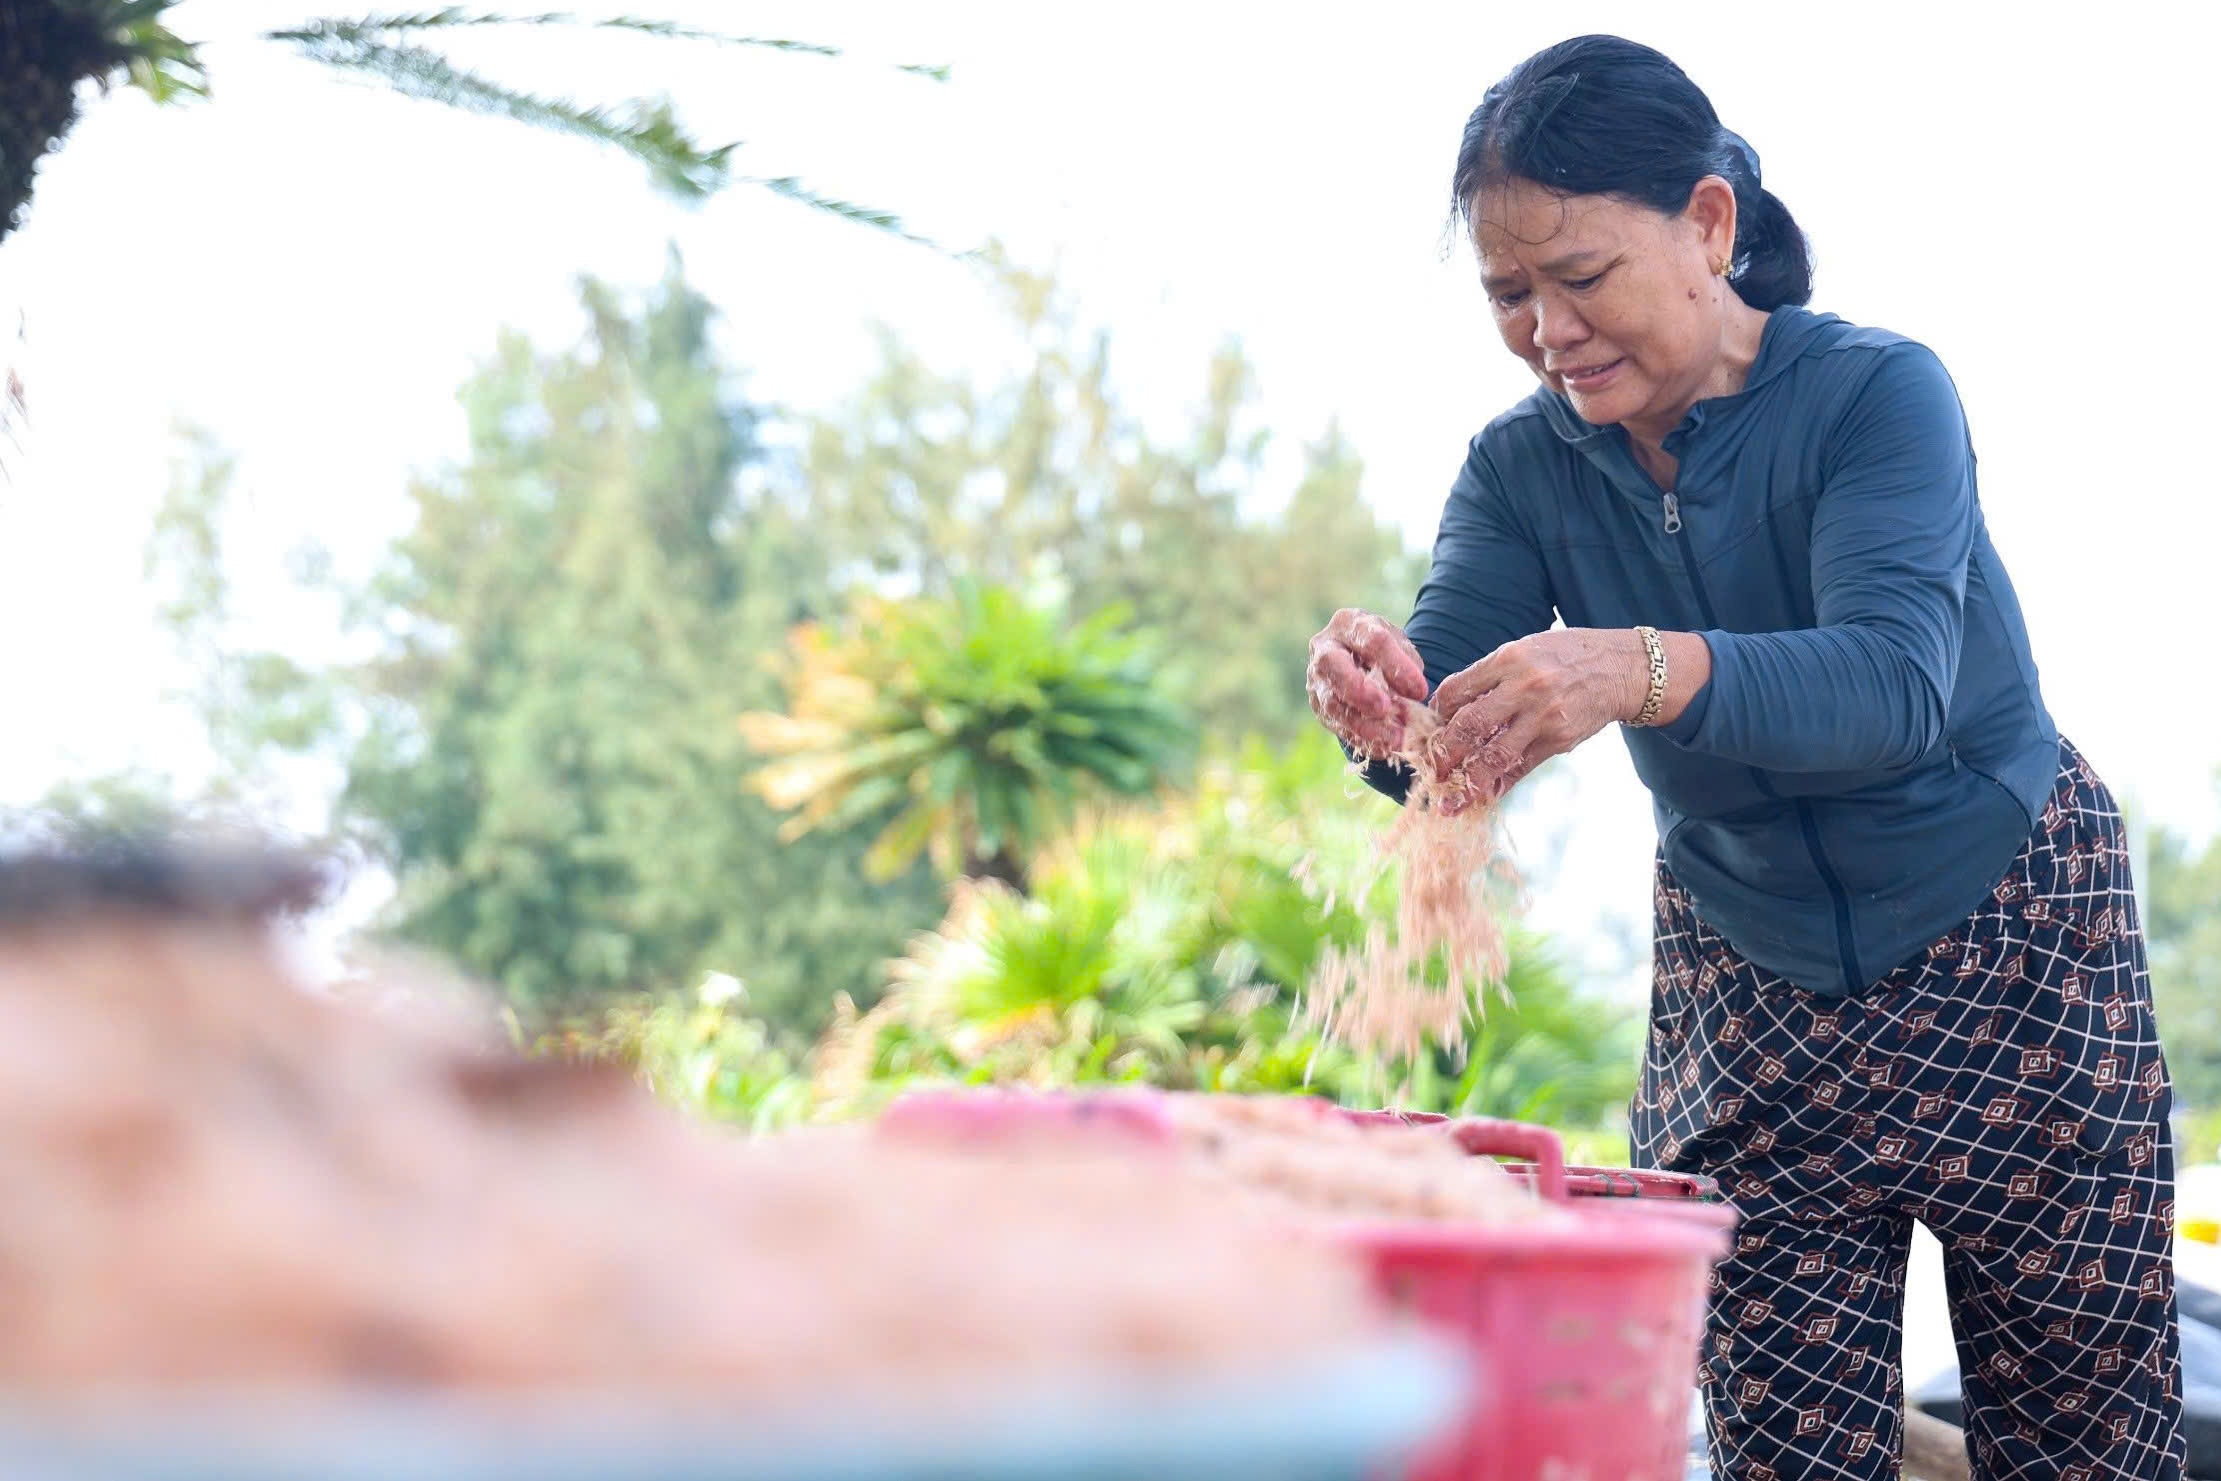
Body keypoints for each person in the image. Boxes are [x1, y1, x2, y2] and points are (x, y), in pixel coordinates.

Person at [1306, 33, 2184, 1481]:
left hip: (2010, 935)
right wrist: (1387, 717)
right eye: (1508, 295)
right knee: (1778, 1443)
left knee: (2082, 1434)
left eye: (1579, 277)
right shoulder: (1517, 468)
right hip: (1745, 973)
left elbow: (1896, 682)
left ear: (1707, 224)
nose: (1546, 328)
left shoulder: (1875, 394)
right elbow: (1443, 743)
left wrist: (1632, 665)